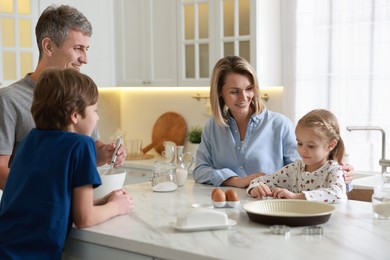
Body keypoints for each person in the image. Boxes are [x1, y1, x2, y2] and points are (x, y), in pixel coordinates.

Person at [0, 68, 134, 258]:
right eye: (94, 111)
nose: (98, 117)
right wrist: (117, 207)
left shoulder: (31, 139)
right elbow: (84, 218)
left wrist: (102, 201)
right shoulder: (81, 145)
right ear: (74, 115)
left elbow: (45, 199)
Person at [0, 5, 126, 190]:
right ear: (48, 46)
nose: (85, 59)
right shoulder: (9, 99)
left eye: (86, 49)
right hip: (34, 213)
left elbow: (88, 150)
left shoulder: (78, 93)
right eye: (78, 48)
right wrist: (45, 192)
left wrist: (106, 153)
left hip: (66, 208)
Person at [192, 56, 354, 189]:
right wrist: (235, 180)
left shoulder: (280, 125)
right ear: (220, 92)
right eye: (234, 91)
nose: (244, 98)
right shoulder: (213, 127)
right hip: (225, 206)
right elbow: (200, 170)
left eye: (249, 88)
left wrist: (339, 174)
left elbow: (305, 172)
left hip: (269, 206)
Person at [247, 109, 348, 203]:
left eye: (311, 146)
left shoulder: (333, 170)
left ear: (331, 145)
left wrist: (296, 197)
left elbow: (338, 194)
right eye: (299, 143)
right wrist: (255, 188)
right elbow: (260, 180)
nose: (303, 150)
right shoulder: (294, 169)